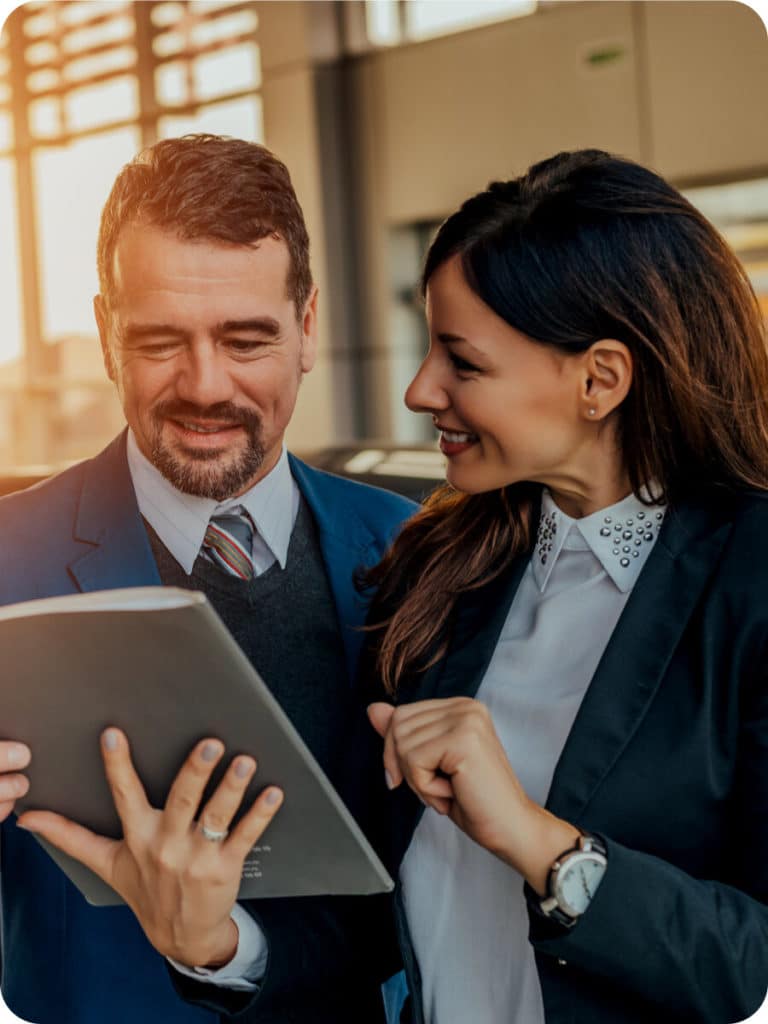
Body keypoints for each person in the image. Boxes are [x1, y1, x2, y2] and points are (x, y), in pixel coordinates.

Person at [0, 134, 414, 1024]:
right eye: (159, 341)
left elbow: (426, 881)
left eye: (246, 337)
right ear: (108, 335)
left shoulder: (409, 552)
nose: (204, 385)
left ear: (307, 330)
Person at [362, 149, 768, 1024]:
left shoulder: (754, 586)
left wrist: (537, 840)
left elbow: (754, 963)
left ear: (600, 379)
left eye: (462, 363)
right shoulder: (433, 568)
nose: (419, 387)